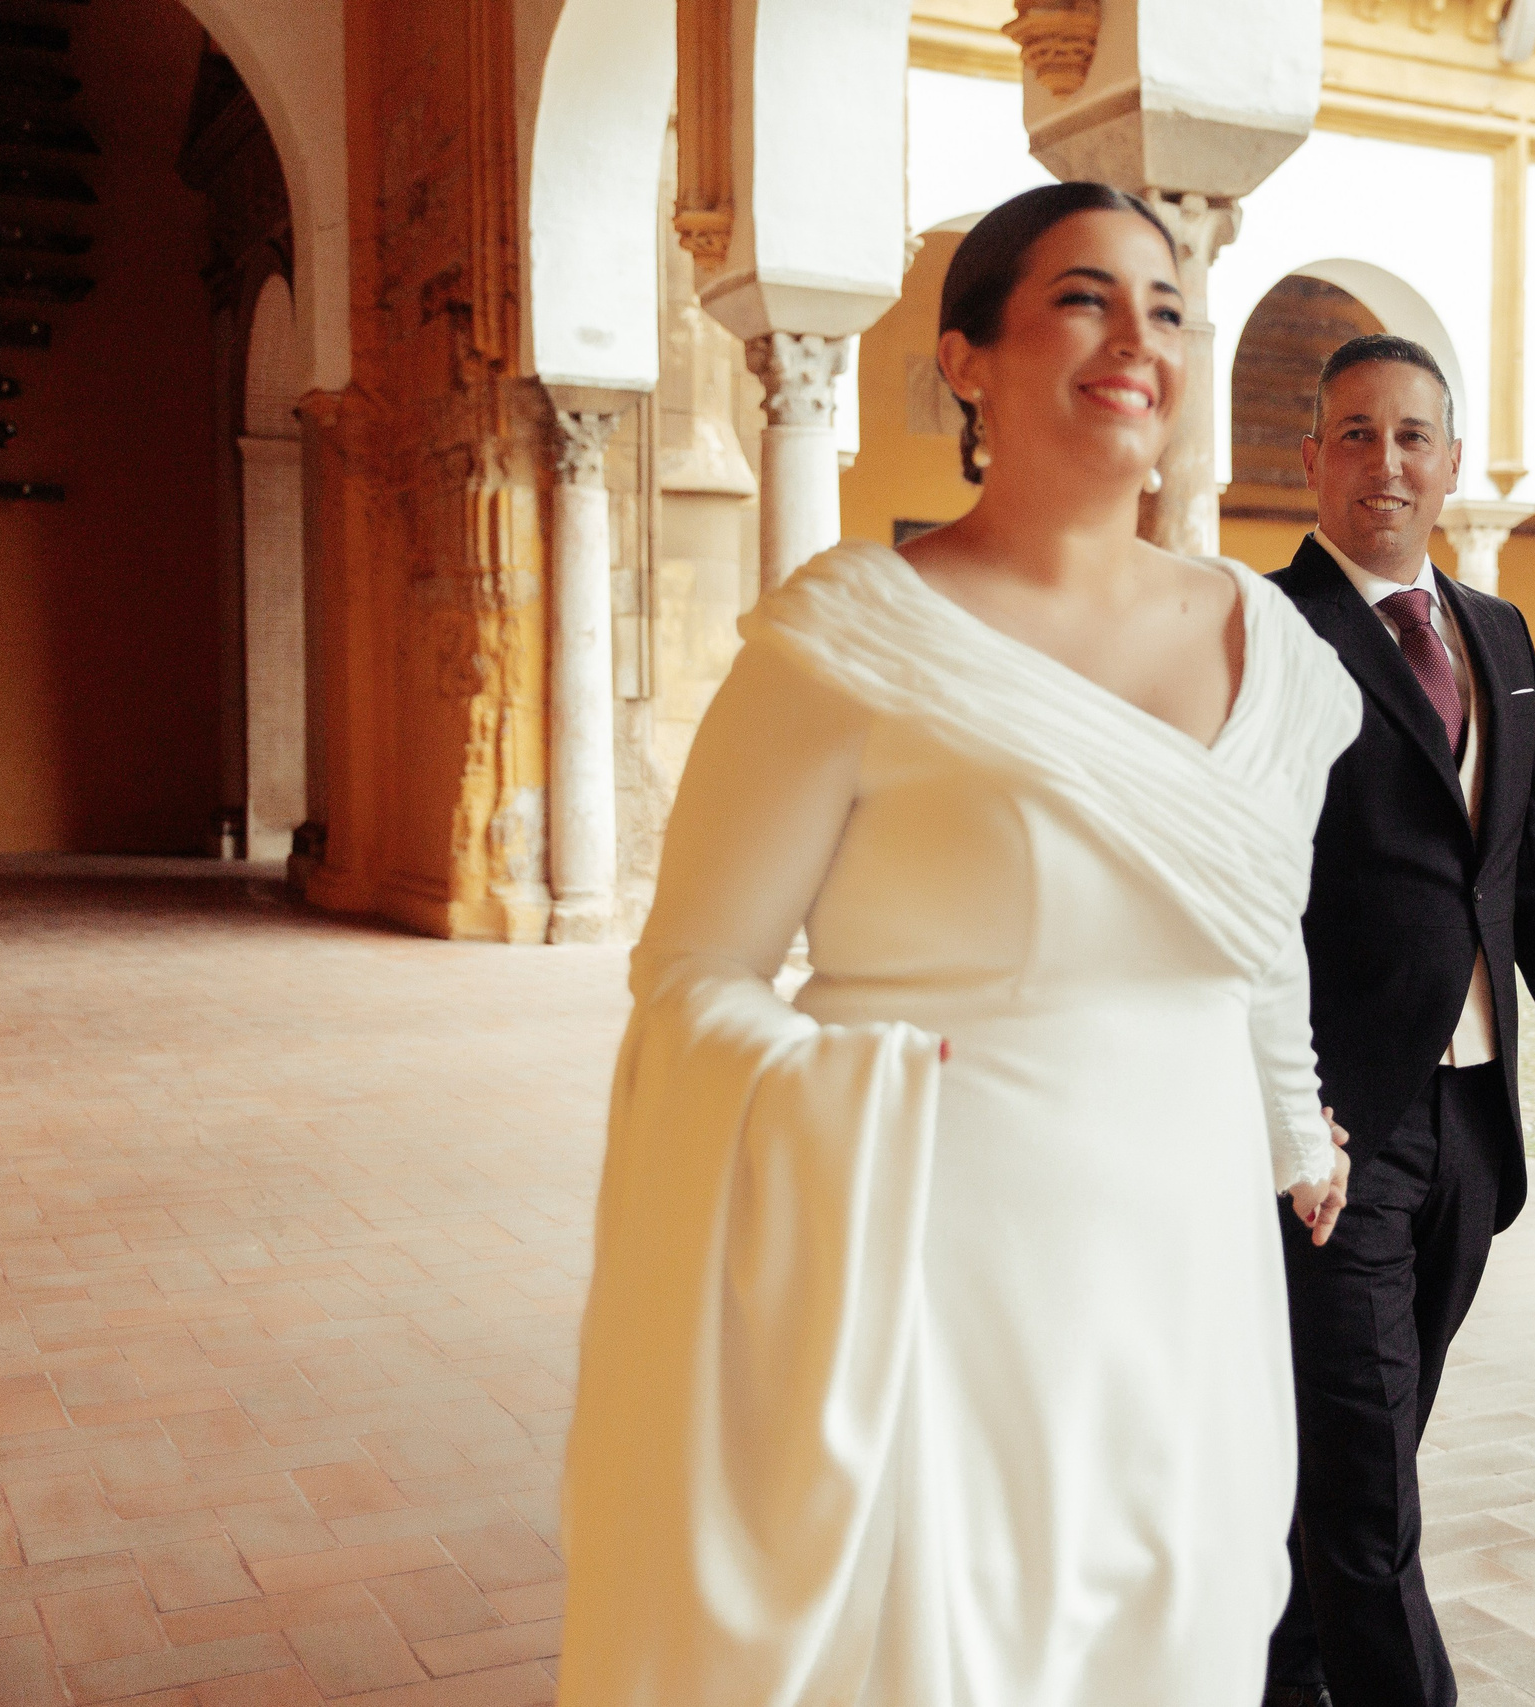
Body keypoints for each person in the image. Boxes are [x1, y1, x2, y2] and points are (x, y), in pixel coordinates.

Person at [557, 181, 1362, 1707]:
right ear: (966, 359)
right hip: (946, 1253)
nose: (1136, 340)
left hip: (1193, 1273)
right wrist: (843, 1095)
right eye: (1082, 298)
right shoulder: (854, 638)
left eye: (1167, 308)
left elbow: (1256, 927)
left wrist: (1289, 1123)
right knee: (965, 1650)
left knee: (1179, 1636)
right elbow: (692, 974)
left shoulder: (1277, 651)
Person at [1262, 334, 1535, 1707]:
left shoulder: (1499, 633)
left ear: (1452, 462)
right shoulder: (1264, 634)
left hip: (1471, 1130)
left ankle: (1279, 1679)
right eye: (1356, 433)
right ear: (1311, 459)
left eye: (1413, 435)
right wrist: (1281, 1104)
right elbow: (1233, 890)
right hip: (1335, 1132)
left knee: (1366, 1452)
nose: (1387, 462)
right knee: (1372, 1490)